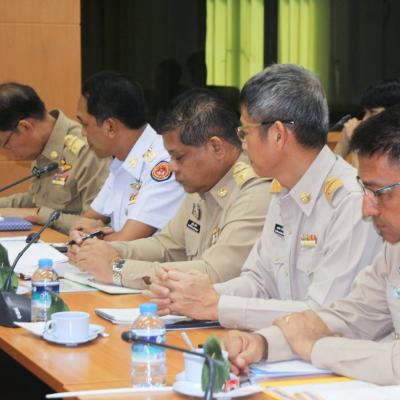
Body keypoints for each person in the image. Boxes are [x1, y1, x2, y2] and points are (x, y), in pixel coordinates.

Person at [145, 64, 382, 330]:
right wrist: (199, 295)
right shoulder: (283, 190)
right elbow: (258, 281)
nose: (242, 144)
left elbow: (323, 314)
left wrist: (216, 305)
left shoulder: (350, 202)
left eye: (245, 132)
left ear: (278, 134)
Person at [222, 105, 400, 385]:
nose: (367, 208)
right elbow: (353, 316)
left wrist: (318, 349)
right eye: (365, 190)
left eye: (378, 192)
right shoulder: (394, 248)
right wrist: (263, 343)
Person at [68, 88, 272, 288]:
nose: (171, 166)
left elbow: (215, 273)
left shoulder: (254, 191)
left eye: (179, 157)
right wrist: (105, 251)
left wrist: (116, 269)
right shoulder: (202, 184)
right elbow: (166, 245)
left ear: (216, 147)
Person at [70, 71, 185, 242]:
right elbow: (85, 222)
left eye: (85, 124)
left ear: (110, 127)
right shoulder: (122, 160)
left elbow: (126, 242)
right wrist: (84, 233)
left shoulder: (164, 162)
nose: (82, 133)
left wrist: (92, 237)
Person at [0, 82, 109, 233]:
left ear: (25, 126)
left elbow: (96, 225)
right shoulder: (41, 146)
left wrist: (38, 215)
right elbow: (37, 199)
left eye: (6, 144)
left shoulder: (88, 149)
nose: (8, 152)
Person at [334, 78, 400, 167]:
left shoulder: (394, 148)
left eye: (372, 112)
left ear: (394, 113)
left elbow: (361, 176)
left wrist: (355, 142)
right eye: (365, 112)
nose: (364, 119)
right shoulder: (374, 142)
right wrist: (343, 143)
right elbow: (329, 174)